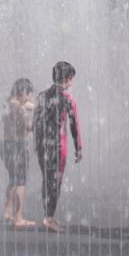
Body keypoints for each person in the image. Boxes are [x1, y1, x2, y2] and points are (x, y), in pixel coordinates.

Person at [33, 61, 82, 233]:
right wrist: (79, 148)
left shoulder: (41, 95)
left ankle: (48, 216)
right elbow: (74, 125)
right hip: (59, 144)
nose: (72, 82)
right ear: (68, 78)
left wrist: (36, 143)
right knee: (56, 181)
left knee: (47, 179)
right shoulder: (68, 99)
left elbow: (36, 122)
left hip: (43, 144)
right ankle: (48, 217)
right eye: (72, 79)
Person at [1, 78, 36, 229]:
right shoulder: (19, 109)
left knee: (13, 179)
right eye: (28, 94)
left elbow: (27, 105)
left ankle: (7, 213)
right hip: (18, 146)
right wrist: (40, 124)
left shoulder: (8, 103)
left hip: (6, 145)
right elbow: (27, 126)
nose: (28, 98)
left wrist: (37, 107)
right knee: (20, 181)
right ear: (22, 92)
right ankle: (18, 218)